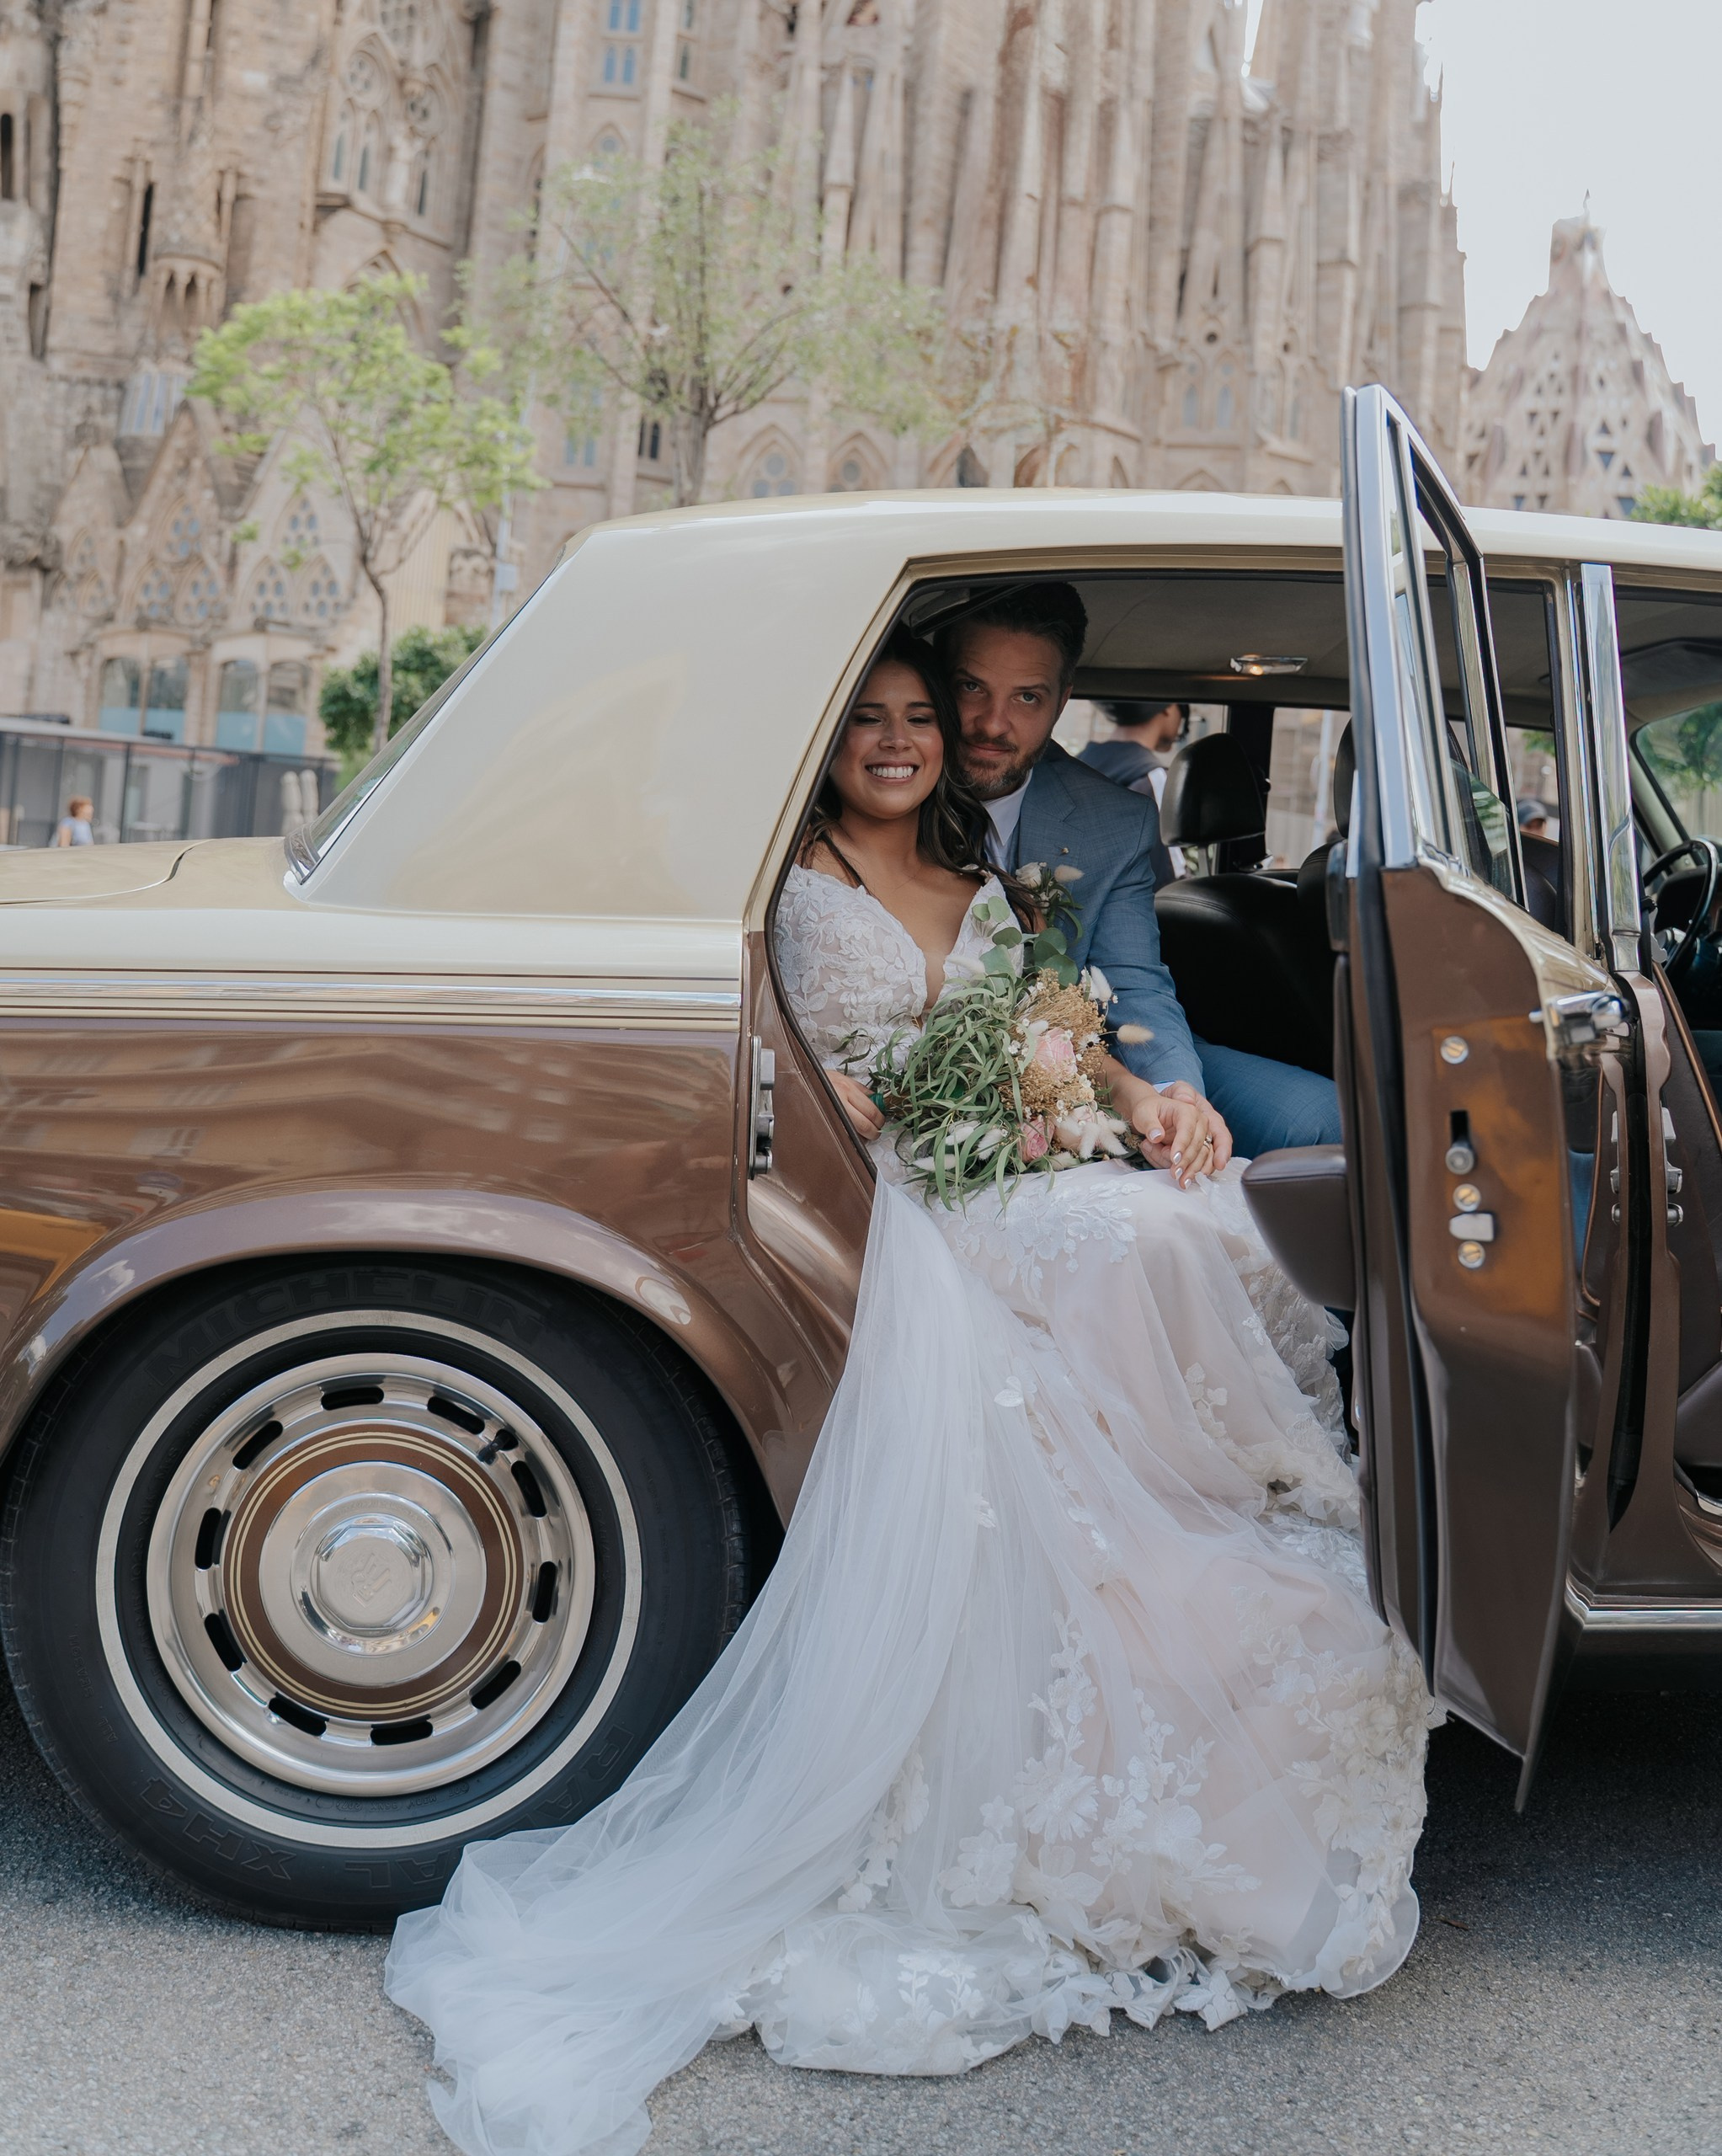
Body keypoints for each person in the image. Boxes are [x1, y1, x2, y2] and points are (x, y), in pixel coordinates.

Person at [385, 629, 1433, 2156]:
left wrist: (1135, 1098)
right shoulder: (788, 872)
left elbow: (1060, 1026)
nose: (901, 742)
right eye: (869, 721)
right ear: (826, 741)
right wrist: (902, 1107)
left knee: (1191, 1209)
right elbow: (786, 1061)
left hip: (1004, 1162)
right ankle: (1224, 1498)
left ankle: (1213, 1506)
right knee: (1147, 1234)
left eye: (917, 723)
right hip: (904, 1198)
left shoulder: (995, 888)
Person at [941, 584, 1341, 1155]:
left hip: (1100, 1053)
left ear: (1061, 702)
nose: (992, 723)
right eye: (970, 687)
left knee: (1327, 1121)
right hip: (951, 1064)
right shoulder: (892, 782)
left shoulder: (1114, 821)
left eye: (1027, 697)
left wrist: (1172, 1094)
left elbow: (1132, 983)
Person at [1080, 702, 1187, 883]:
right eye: (1184, 708)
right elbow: (1167, 874)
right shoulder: (1153, 777)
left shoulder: (1078, 765)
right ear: (1169, 707)